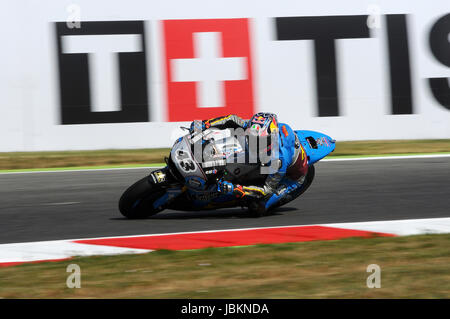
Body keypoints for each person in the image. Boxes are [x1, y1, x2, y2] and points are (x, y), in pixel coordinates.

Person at [189, 112, 309, 215]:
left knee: (258, 208)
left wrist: (237, 189)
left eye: (260, 141)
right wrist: (205, 124)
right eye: (252, 138)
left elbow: (266, 190)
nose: (255, 143)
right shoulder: (258, 129)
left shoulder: (278, 159)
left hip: (293, 177)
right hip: (273, 154)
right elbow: (231, 119)